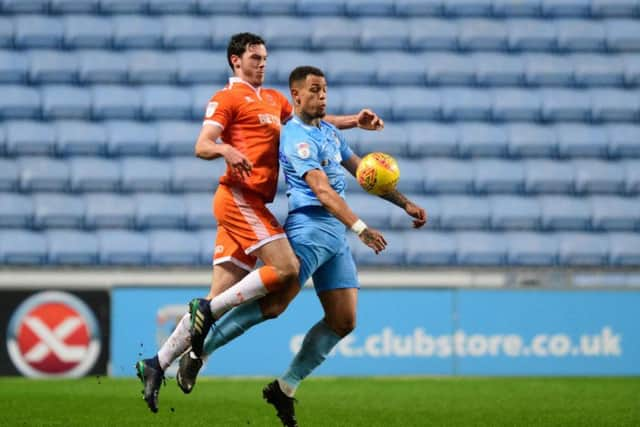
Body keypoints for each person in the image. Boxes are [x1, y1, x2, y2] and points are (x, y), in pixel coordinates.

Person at [135, 33, 384, 413]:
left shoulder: (273, 99)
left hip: (252, 202)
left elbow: (306, 123)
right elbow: (202, 144)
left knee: (215, 302)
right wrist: (225, 149)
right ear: (236, 61)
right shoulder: (226, 98)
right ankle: (208, 309)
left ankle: (156, 363)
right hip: (239, 198)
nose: (262, 63)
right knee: (284, 269)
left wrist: (353, 121)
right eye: (254, 57)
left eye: (265, 57)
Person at [179, 66, 427, 427]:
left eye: (325, 89)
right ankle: (200, 353)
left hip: (335, 237)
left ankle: (285, 387)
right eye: (315, 90)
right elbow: (323, 192)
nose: (322, 95)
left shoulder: (327, 131)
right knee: (274, 306)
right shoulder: (295, 137)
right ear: (297, 95)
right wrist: (360, 228)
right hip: (310, 228)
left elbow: (363, 173)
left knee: (343, 321)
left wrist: (405, 203)